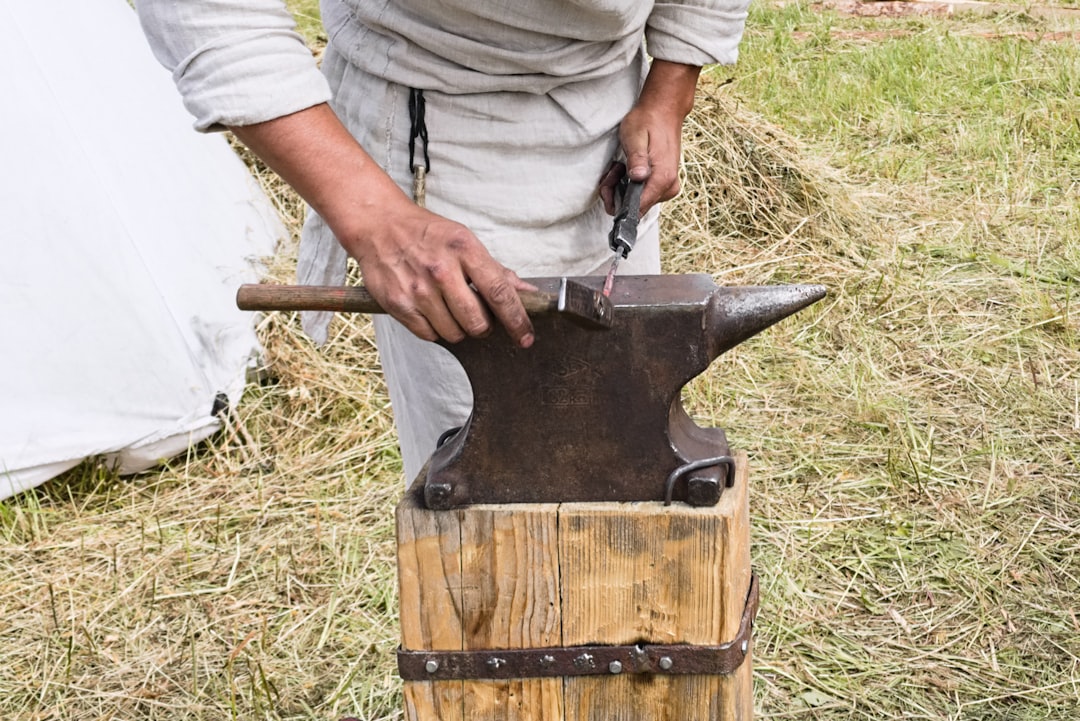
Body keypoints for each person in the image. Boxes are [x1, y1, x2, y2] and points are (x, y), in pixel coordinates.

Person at [137, 1, 750, 483]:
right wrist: (378, 220)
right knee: (495, 493)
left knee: (622, 441)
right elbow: (209, 12)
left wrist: (669, 90)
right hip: (442, 120)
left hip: (610, 107)